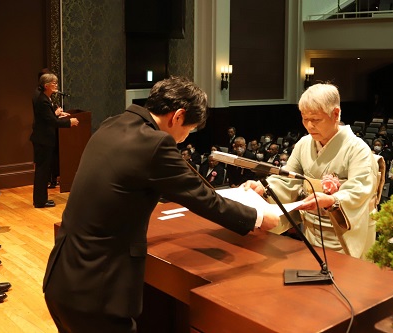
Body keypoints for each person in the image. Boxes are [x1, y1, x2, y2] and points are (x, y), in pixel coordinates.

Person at [43, 77, 279, 332]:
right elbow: (203, 199)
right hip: (98, 293)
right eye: (189, 129)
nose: (184, 138)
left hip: (62, 278)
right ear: (177, 116)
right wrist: (257, 216)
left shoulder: (114, 123)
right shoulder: (156, 143)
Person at [245, 83, 378, 259]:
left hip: (344, 232)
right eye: (304, 118)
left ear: (336, 114)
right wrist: (264, 187)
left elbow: (360, 190)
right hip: (311, 229)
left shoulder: (357, 149)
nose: (308, 126)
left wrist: (332, 199)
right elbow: (287, 179)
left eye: (315, 120)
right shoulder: (303, 144)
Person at [30, 73, 79, 208]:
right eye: (54, 83)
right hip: (43, 140)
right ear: (46, 86)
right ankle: (40, 201)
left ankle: (42, 199)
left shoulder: (42, 96)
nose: (56, 85)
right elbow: (51, 122)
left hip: (42, 139)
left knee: (43, 171)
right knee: (42, 171)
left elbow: (46, 117)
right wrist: (70, 122)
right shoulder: (43, 100)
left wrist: (56, 113)